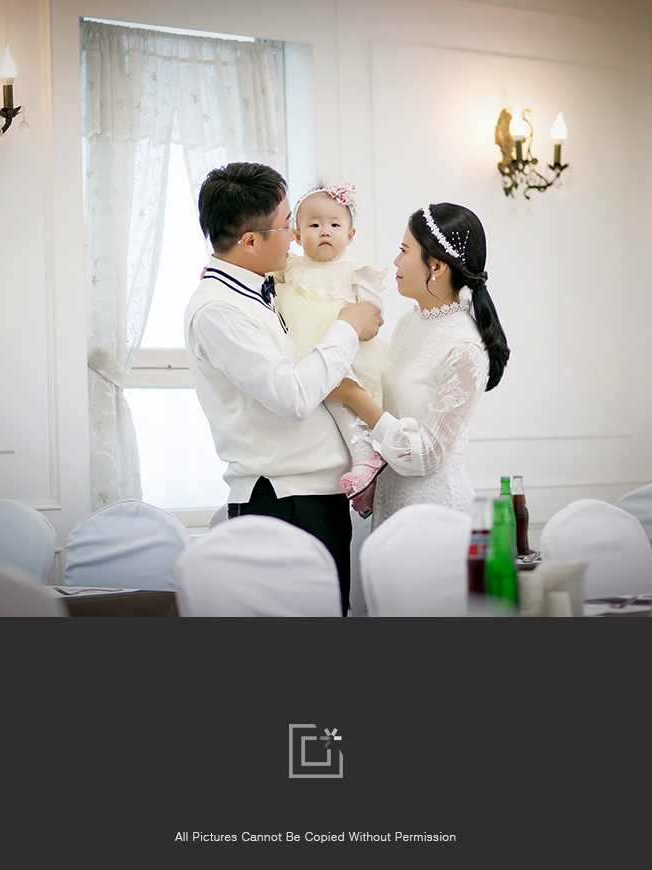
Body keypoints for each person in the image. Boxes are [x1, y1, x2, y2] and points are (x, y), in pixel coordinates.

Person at [184, 162, 383, 614]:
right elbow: (291, 397)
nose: (295, 235)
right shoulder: (219, 311)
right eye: (286, 224)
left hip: (313, 496)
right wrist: (346, 327)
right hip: (282, 499)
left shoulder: (264, 288)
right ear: (250, 241)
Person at [327, 203, 509, 528]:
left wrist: (354, 397)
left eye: (404, 250)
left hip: (435, 513)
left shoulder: (464, 348)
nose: (396, 261)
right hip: (390, 505)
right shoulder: (408, 323)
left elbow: (426, 454)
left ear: (436, 266)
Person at [272, 182, 388, 517]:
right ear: (296, 235)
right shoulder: (289, 266)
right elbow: (257, 278)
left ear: (350, 235)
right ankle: (364, 464)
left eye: (335, 224)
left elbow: (373, 311)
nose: (325, 231)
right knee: (320, 399)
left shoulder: (356, 270)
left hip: (344, 346)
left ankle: (364, 455)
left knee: (341, 396)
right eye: (314, 224)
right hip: (305, 349)